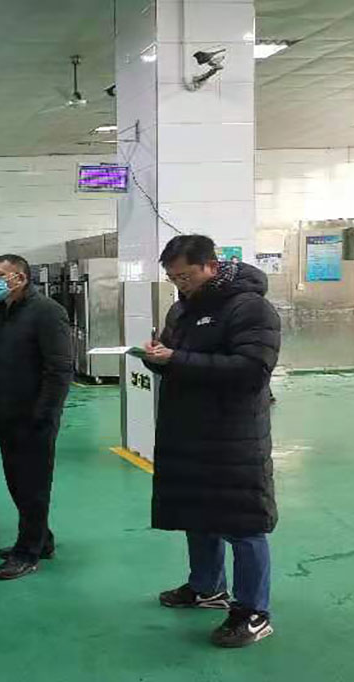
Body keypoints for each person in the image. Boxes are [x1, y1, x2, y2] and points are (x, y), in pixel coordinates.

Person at [143, 235, 281, 649]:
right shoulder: (182, 309)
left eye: (186, 276)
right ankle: (206, 588)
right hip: (188, 430)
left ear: (212, 266)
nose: (180, 285)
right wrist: (158, 358)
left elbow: (252, 369)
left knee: (243, 524)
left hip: (232, 435)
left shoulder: (249, 307)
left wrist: (177, 359)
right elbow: (177, 360)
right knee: (198, 514)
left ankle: (254, 612)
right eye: (173, 278)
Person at [0, 254, 72, 581]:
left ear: (19, 278)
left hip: (35, 415)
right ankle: (42, 539)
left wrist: (45, 413)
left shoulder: (47, 312)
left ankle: (27, 552)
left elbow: (59, 368)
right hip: (7, 411)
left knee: (33, 485)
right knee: (17, 480)